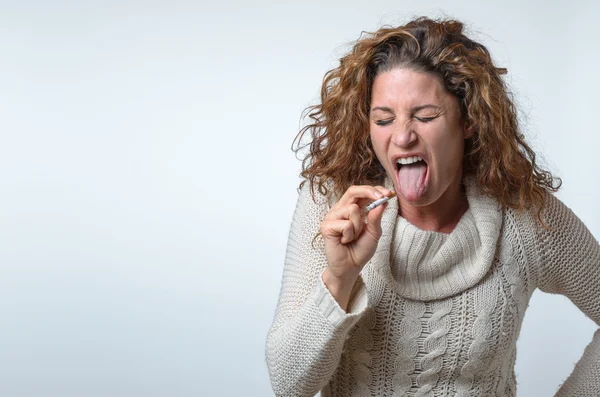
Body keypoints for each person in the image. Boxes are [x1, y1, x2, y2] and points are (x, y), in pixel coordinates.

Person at [265, 17, 600, 397]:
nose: (403, 136)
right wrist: (340, 279)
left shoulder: (525, 220)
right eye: (384, 119)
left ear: (470, 119)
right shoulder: (333, 207)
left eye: (425, 116)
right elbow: (288, 385)